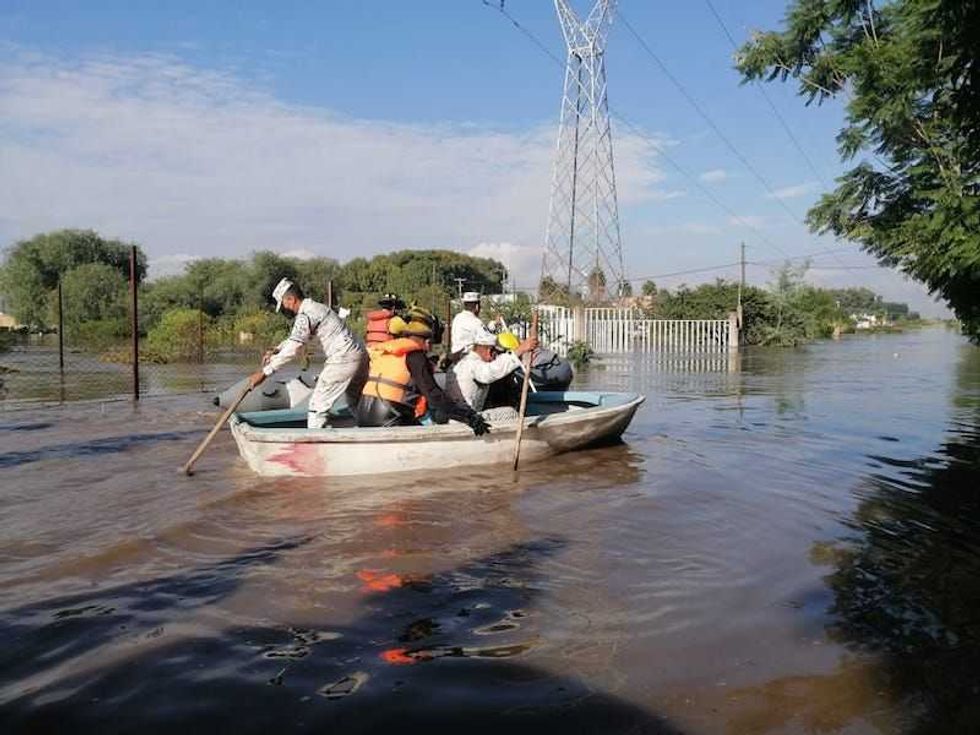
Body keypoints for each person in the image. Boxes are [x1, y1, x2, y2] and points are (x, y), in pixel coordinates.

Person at [248, 278, 368, 429]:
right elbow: (296, 339)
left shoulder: (305, 315)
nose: (285, 308)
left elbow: (294, 348)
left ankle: (315, 440)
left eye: (284, 304)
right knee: (354, 401)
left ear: (291, 299)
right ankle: (366, 431)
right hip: (359, 354)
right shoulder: (316, 308)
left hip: (343, 358)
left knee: (316, 407)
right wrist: (278, 349)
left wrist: (265, 373)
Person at [357, 306, 490, 436]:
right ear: (426, 341)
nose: (429, 348)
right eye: (430, 343)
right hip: (388, 419)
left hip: (362, 415)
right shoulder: (415, 356)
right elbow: (434, 396)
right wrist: (468, 416)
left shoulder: (389, 351)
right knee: (434, 440)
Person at [446, 332, 538, 412]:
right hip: (469, 417)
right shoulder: (472, 365)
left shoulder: (466, 362)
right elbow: (491, 372)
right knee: (510, 412)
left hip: (468, 413)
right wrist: (520, 350)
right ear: (490, 352)